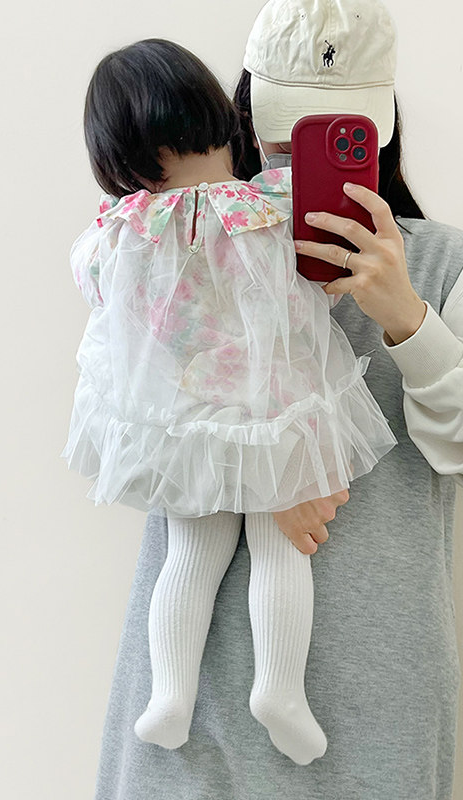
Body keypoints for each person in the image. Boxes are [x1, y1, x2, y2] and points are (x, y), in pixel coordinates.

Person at [91, 1, 463, 798]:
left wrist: (405, 316)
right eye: (283, 133)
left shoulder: (441, 263)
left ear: (377, 128)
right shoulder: (178, 236)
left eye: (331, 135)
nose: (296, 159)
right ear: (243, 114)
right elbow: (140, 409)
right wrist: (266, 475)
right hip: (192, 689)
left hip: (376, 678)